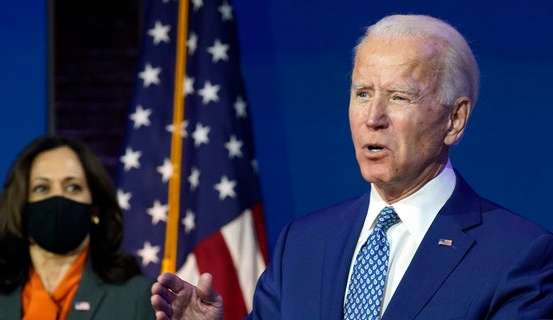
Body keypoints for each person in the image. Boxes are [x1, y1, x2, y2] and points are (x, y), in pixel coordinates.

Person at [150, 14, 553, 319]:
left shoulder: (519, 255)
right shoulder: (303, 245)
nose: (373, 117)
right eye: (362, 93)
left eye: (399, 97)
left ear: (455, 120)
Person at [0, 136, 156, 319]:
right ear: (20, 205)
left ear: (95, 208)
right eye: (42, 188)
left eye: (73, 187)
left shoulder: (138, 298)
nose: (58, 198)